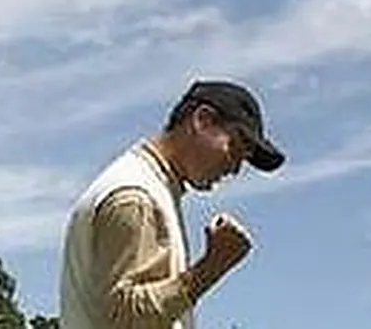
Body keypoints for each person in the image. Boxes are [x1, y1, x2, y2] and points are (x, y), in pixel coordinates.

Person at [57, 79, 285, 329]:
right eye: (235, 148)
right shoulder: (137, 196)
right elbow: (124, 318)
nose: (235, 168)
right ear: (203, 120)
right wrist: (212, 267)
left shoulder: (152, 187)